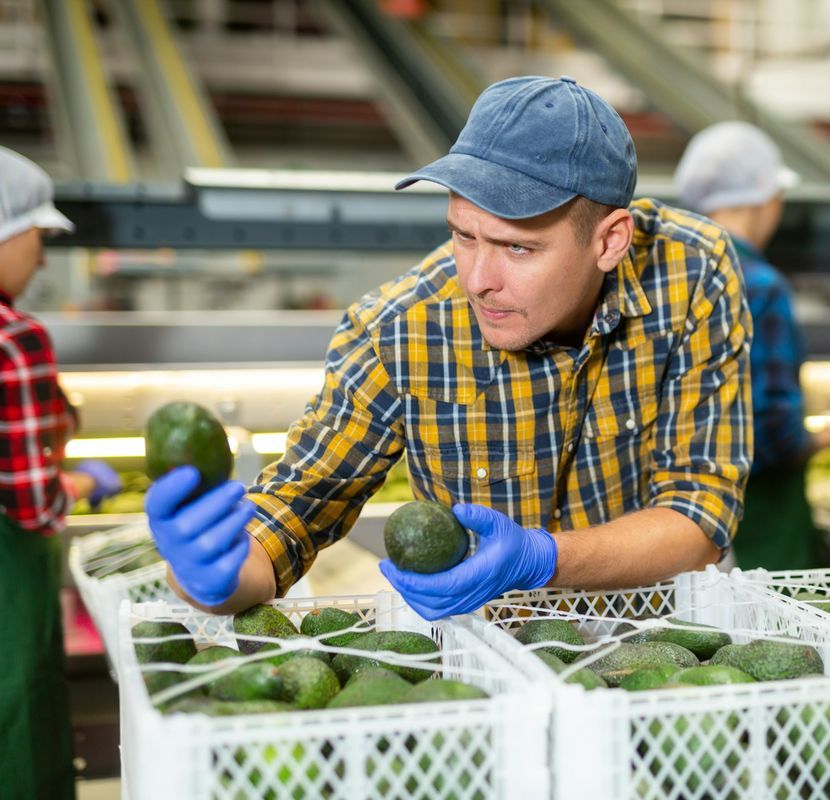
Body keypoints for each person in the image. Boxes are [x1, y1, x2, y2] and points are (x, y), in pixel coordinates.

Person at [145, 76, 752, 620]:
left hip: (661, 651)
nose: (478, 278)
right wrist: (205, 574)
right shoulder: (397, 331)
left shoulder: (691, 272)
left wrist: (543, 560)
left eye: (518, 248)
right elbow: (289, 521)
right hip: (485, 669)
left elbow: (702, 513)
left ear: (610, 241)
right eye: (463, 234)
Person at [674, 121, 830, 571]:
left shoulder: (676, 275)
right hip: (761, 518)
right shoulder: (761, 286)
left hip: (685, 516)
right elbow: (773, 436)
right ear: (767, 199)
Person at [0, 146, 123, 800]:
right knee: (18, 724)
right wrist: (82, 482)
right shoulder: (13, 340)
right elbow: (34, 507)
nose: (41, 258)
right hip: (7, 607)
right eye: (37, 237)